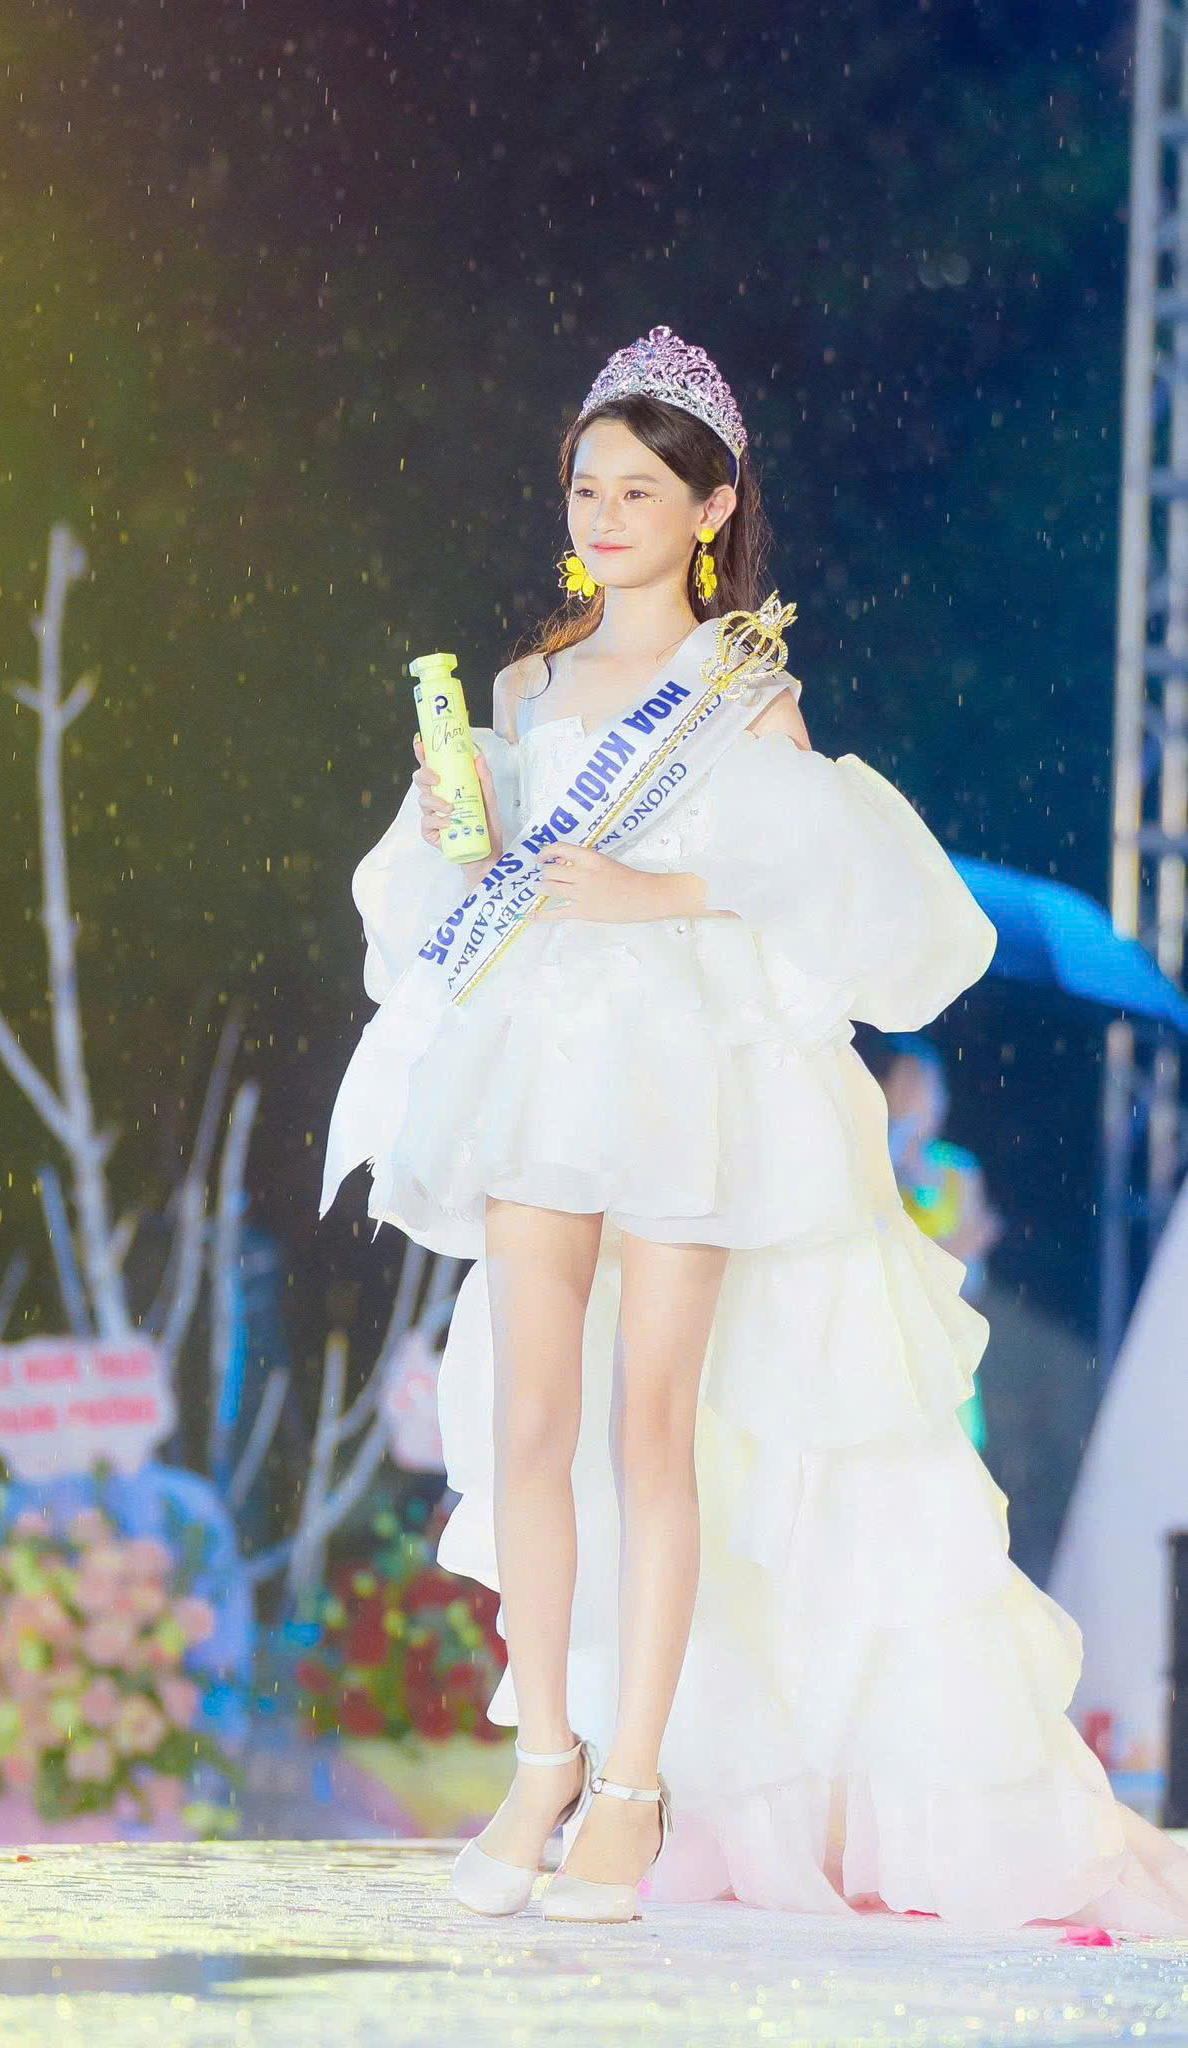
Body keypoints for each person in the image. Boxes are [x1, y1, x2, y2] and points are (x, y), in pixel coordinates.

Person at [320, 325, 1188, 1932]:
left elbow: (821, 899)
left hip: (685, 1073)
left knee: (654, 1434)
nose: (604, 516)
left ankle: (634, 1786)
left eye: (639, 491)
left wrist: (654, 887)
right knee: (528, 1423)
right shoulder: (523, 687)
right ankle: (544, 1760)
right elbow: (479, 890)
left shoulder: (745, 696)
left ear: (710, 508)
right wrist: (460, 831)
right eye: (586, 487)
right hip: (538, 1062)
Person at [881, 1036, 1004, 1450]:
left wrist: (951, 1256)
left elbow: (972, 1279)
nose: (918, 1099)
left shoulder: (958, 1171)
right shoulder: (875, 1167)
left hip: (943, 1341)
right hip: (888, 1342)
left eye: (926, 1086)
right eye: (906, 1085)